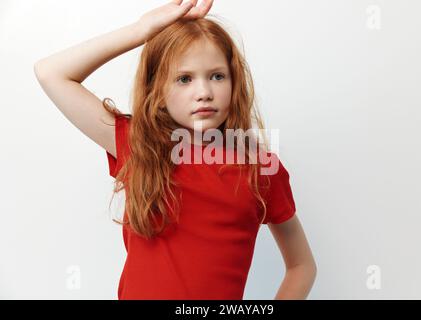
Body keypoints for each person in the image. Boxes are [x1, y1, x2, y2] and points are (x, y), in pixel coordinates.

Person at [34, 0, 317, 300]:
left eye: (217, 76)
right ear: (159, 90)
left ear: (235, 83)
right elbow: (51, 72)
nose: (204, 92)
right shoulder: (140, 146)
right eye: (184, 79)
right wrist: (141, 30)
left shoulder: (260, 168)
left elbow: (301, 266)